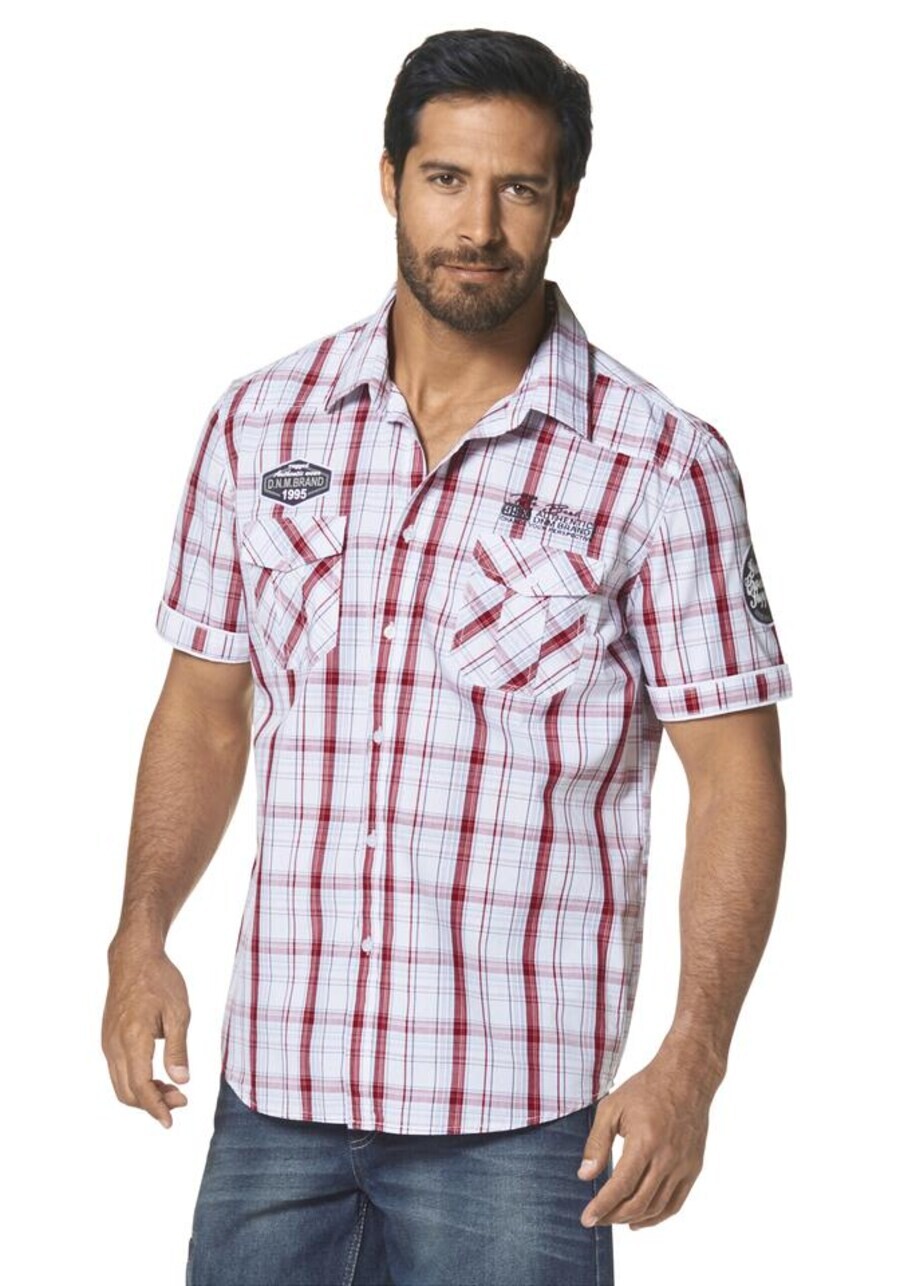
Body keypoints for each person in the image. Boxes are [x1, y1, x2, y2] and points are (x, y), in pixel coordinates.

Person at [102, 26, 792, 1286]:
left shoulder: (661, 464)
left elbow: (736, 776)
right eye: (445, 179)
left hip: (519, 1124)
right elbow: (203, 707)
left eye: (518, 186)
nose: (478, 225)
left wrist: (693, 1055)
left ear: (565, 203)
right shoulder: (260, 423)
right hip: (276, 1095)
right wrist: (140, 931)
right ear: (389, 180)